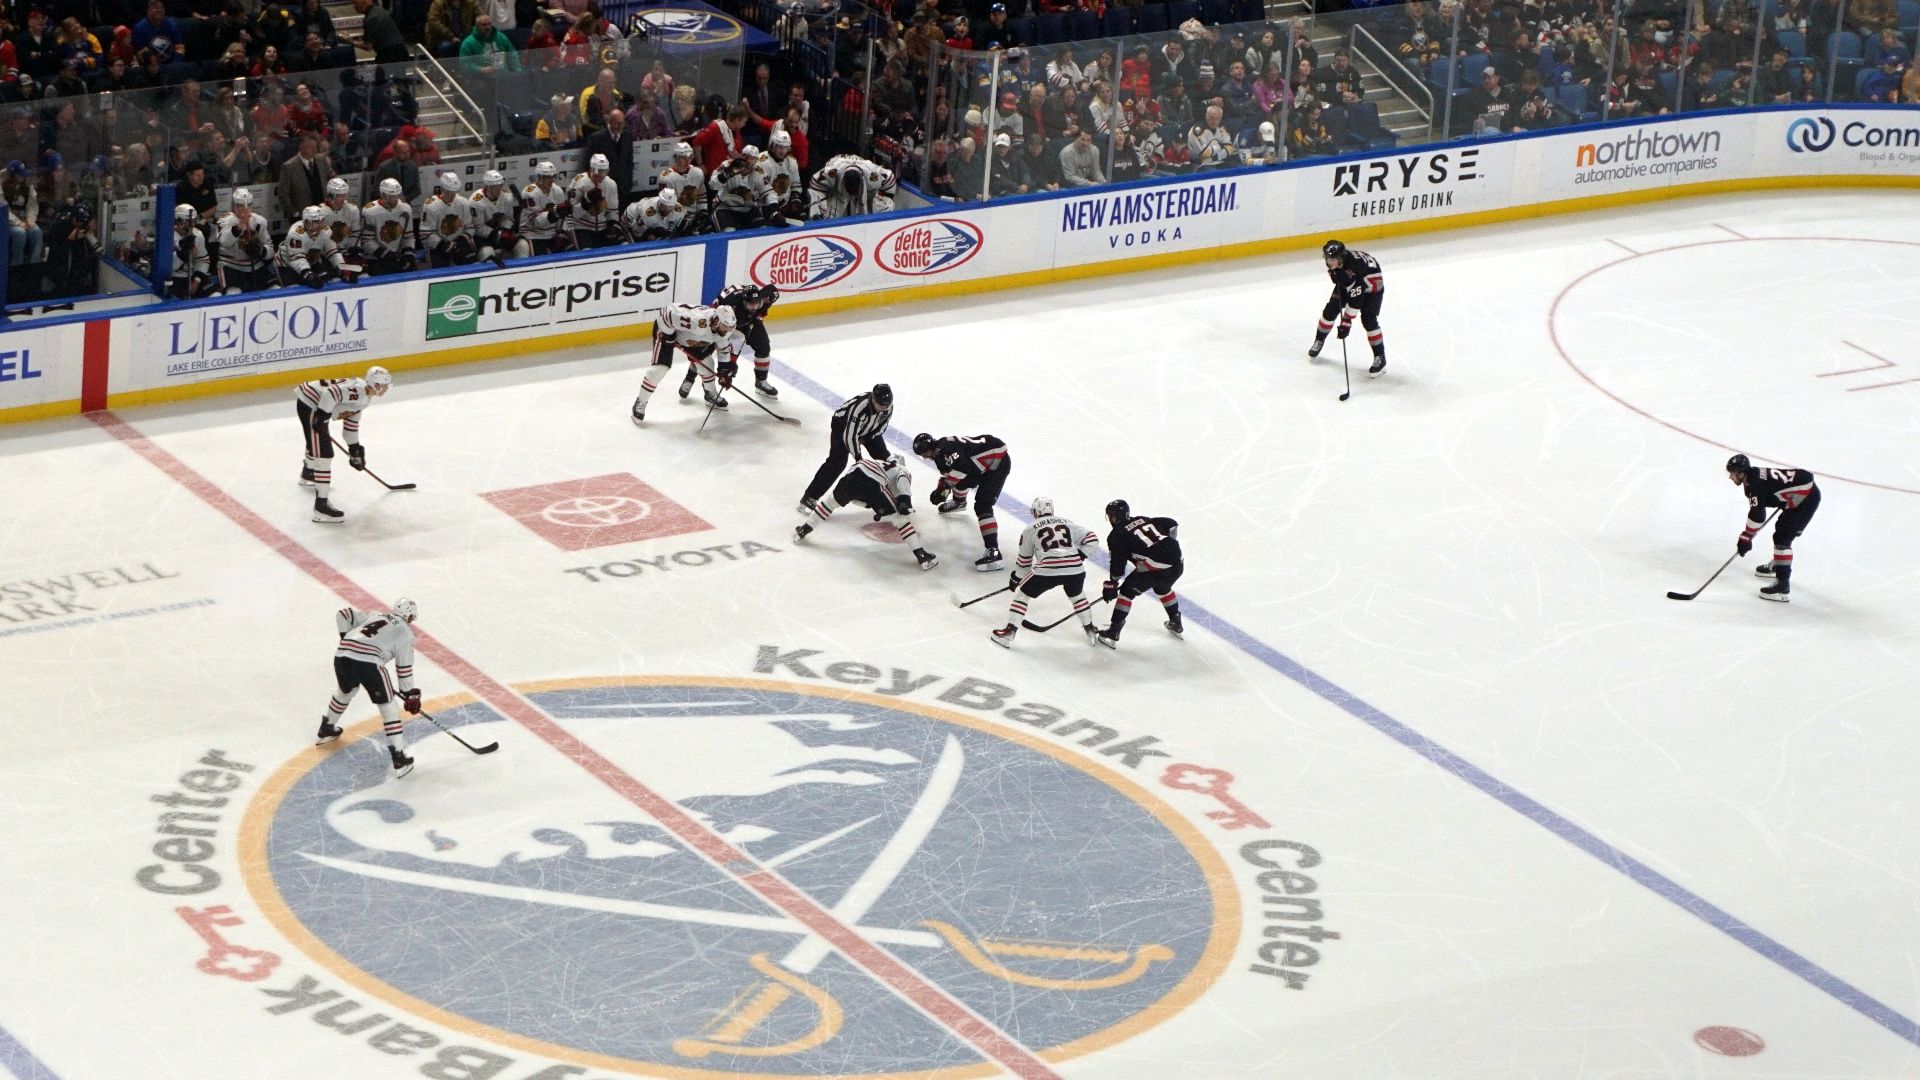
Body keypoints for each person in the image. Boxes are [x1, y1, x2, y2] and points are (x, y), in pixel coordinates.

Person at [321, 598, 422, 778]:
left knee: (346, 691)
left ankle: (327, 728)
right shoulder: (405, 633)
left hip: (342, 656)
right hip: (369, 664)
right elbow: (404, 669)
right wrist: (410, 695)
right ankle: (399, 758)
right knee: (389, 708)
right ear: (409, 615)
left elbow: (343, 614)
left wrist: (346, 639)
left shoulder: (375, 616)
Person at [793, 453, 939, 571]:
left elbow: (857, 497)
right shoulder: (901, 468)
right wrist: (904, 502)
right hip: (872, 482)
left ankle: (803, 530)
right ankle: (921, 556)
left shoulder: (878, 462)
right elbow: (901, 480)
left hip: (851, 476)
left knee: (829, 503)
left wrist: (869, 503)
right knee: (901, 519)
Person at [990, 496, 1101, 648]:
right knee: (1078, 596)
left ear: (1036, 511)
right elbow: (1092, 537)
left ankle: (1009, 632)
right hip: (1075, 569)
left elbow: (1024, 561)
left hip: (1047, 570)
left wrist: (1016, 579)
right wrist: (1080, 555)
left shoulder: (1030, 529)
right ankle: (1090, 630)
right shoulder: (1066, 522)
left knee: (1022, 596)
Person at [296, 366, 392, 523]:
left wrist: (355, 450)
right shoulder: (359, 393)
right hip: (311, 403)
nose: (387, 388)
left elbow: (350, 428)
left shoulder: (363, 398)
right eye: (385, 384)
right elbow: (331, 393)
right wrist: (321, 416)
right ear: (376, 384)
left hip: (314, 401)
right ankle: (321, 507)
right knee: (324, 453)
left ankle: (309, 471)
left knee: (317, 443)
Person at [1726, 454, 1820, 602]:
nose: (1730, 477)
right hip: (1799, 496)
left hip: (1806, 500)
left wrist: (1746, 537)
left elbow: (1758, 515)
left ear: (1742, 473)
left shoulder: (1754, 485)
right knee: (1781, 530)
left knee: (1783, 538)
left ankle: (1782, 586)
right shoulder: (1753, 476)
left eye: (1732, 473)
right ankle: (1778, 564)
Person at [912, 432, 1010, 570]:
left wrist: (945, 487)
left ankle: (993, 552)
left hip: (997, 462)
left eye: (925, 453)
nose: (925, 457)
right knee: (958, 481)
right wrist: (942, 489)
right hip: (984, 460)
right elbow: (952, 475)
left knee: (983, 506)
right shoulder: (940, 452)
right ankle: (959, 502)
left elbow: (972, 474)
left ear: (930, 448)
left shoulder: (947, 450)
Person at [630, 301, 741, 422]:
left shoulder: (725, 331)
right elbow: (666, 314)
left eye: (730, 327)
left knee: (708, 364)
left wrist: (724, 371)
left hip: (693, 340)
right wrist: (669, 336)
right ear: (716, 321)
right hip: (666, 332)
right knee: (660, 368)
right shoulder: (698, 321)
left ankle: (710, 394)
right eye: (725, 326)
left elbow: (724, 351)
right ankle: (640, 402)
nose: (727, 330)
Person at [1097, 499, 1183, 647]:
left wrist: (1112, 583)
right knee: (1162, 586)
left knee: (1126, 593)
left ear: (1114, 517)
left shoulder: (1116, 535)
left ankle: (1113, 633)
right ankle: (1175, 622)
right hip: (1177, 562)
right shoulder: (1142, 519)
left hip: (1155, 565)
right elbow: (1171, 523)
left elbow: (1118, 563)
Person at [801, 384, 893, 510]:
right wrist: (859, 458)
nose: (883, 409)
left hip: (867, 430)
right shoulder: (860, 408)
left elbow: (881, 429)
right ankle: (810, 496)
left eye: (886, 405)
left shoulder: (888, 407)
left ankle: (893, 495)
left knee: (886, 460)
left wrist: (865, 439)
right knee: (837, 462)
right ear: (873, 399)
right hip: (842, 426)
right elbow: (849, 436)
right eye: (880, 405)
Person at [1309, 239, 1386, 377]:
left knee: (1369, 320)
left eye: (1332, 259)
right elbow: (1345, 283)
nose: (1329, 262)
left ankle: (1380, 358)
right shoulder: (1338, 266)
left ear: (1340, 258)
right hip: (1351, 282)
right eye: (1327, 258)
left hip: (1372, 287)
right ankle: (1319, 340)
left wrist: (1346, 322)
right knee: (1330, 310)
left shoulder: (1353, 268)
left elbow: (1357, 298)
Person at [689, 283, 781, 399]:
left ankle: (761, 381)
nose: (754, 308)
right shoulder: (731, 302)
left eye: (757, 304)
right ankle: (689, 377)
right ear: (743, 302)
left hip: (746, 321)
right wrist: (729, 364)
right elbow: (714, 314)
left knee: (763, 347)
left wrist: (756, 316)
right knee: (705, 349)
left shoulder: (764, 299)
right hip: (724, 322)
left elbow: (762, 308)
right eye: (750, 305)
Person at [214, 187, 277, 294]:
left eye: (248, 205)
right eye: (240, 206)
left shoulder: (259, 221)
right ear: (234, 206)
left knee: (275, 289)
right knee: (233, 293)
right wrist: (238, 227)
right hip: (231, 265)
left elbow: (270, 251)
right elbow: (225, 242)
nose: (245, 209)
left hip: (255, 265)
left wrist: (260, 250)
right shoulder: (224, 220)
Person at [280, 205, 355, 288]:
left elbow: (332, 251)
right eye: (316, 222)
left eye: (322, 221)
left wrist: (342, 267)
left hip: (312, 262)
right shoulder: (295, 234)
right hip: (287, 265)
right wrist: (308, 274)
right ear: (307, 222)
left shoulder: (326, 231)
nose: (320, 225)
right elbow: (297, 258)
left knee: (331, 281)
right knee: (294, 288)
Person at [808, 153, 897, 218]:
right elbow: (815, 183)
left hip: (862, 164)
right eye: (850, 188)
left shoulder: (872, 175)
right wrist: (822, 207)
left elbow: (890, 178)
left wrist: (885, 198)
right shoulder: (832, 173)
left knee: (886, 205)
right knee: (829, 212)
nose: (852, 192)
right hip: (837, 163)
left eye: (854, 189)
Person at [360, 177, 416, 275]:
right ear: (383, 195)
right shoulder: (369, 211)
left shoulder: (406, 209)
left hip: (396, 255)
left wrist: (408, 253)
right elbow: (366, 240)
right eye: (392, 196)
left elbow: (408, 235)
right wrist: (384, 254)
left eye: (397, 195)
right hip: (374, 258)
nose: (396, 199)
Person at [467, 169, 523, 266]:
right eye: (495, 186)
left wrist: (505, 230)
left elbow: (509, 218)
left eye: (500, 185)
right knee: (488, 252)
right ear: (487, 186)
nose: (499, 189)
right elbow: (478, 228)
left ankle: (520, 273)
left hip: (500, 232)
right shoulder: (476, 201)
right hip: (482, 237)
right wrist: (495, 233)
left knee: (522, 245)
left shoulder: (505, 197)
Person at [567, 153, 622, 249]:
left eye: (604, 171)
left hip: (602, 227)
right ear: (592, 169)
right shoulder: (580, 181)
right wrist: (586, 201)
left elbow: (612, 210)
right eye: (599, 171)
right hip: (580, 226)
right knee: (586, 253)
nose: (602, 175)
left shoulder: (611, 184)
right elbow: (573, 213)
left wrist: (612, 225)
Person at [422, 171, 475, 267]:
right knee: (441, 271)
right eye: (449, 192)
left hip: (459, 243)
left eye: (454, 192)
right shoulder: (431, 205)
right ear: (442, 189)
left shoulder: (463, 203)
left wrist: (462, 240)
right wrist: (443, 244)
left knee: (472, 265)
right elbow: (425, 233)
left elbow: (470, 227)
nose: (452, 195)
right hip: (438, 247)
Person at [519, 160, 571, 255]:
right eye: (547, 177)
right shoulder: (529, 193)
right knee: (538, 260)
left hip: (552, 233)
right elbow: (536, 222)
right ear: (540, 177)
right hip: (533, 234)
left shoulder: (557, 190)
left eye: (552, 176)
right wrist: (554, 214)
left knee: (570, 250)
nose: (551, 180)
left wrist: (562, 231)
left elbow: (565, 216)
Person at [167, 202, 212, 299]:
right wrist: (181, 251)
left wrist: (196, 280)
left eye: (194, 221)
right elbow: (168, 267)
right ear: (177, 221)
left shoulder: (198, 235)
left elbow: (203, 260)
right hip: (172, 279)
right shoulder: (167, 236)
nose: (192, 226)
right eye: (188, 222)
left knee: (214, 295)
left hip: (191, 276)